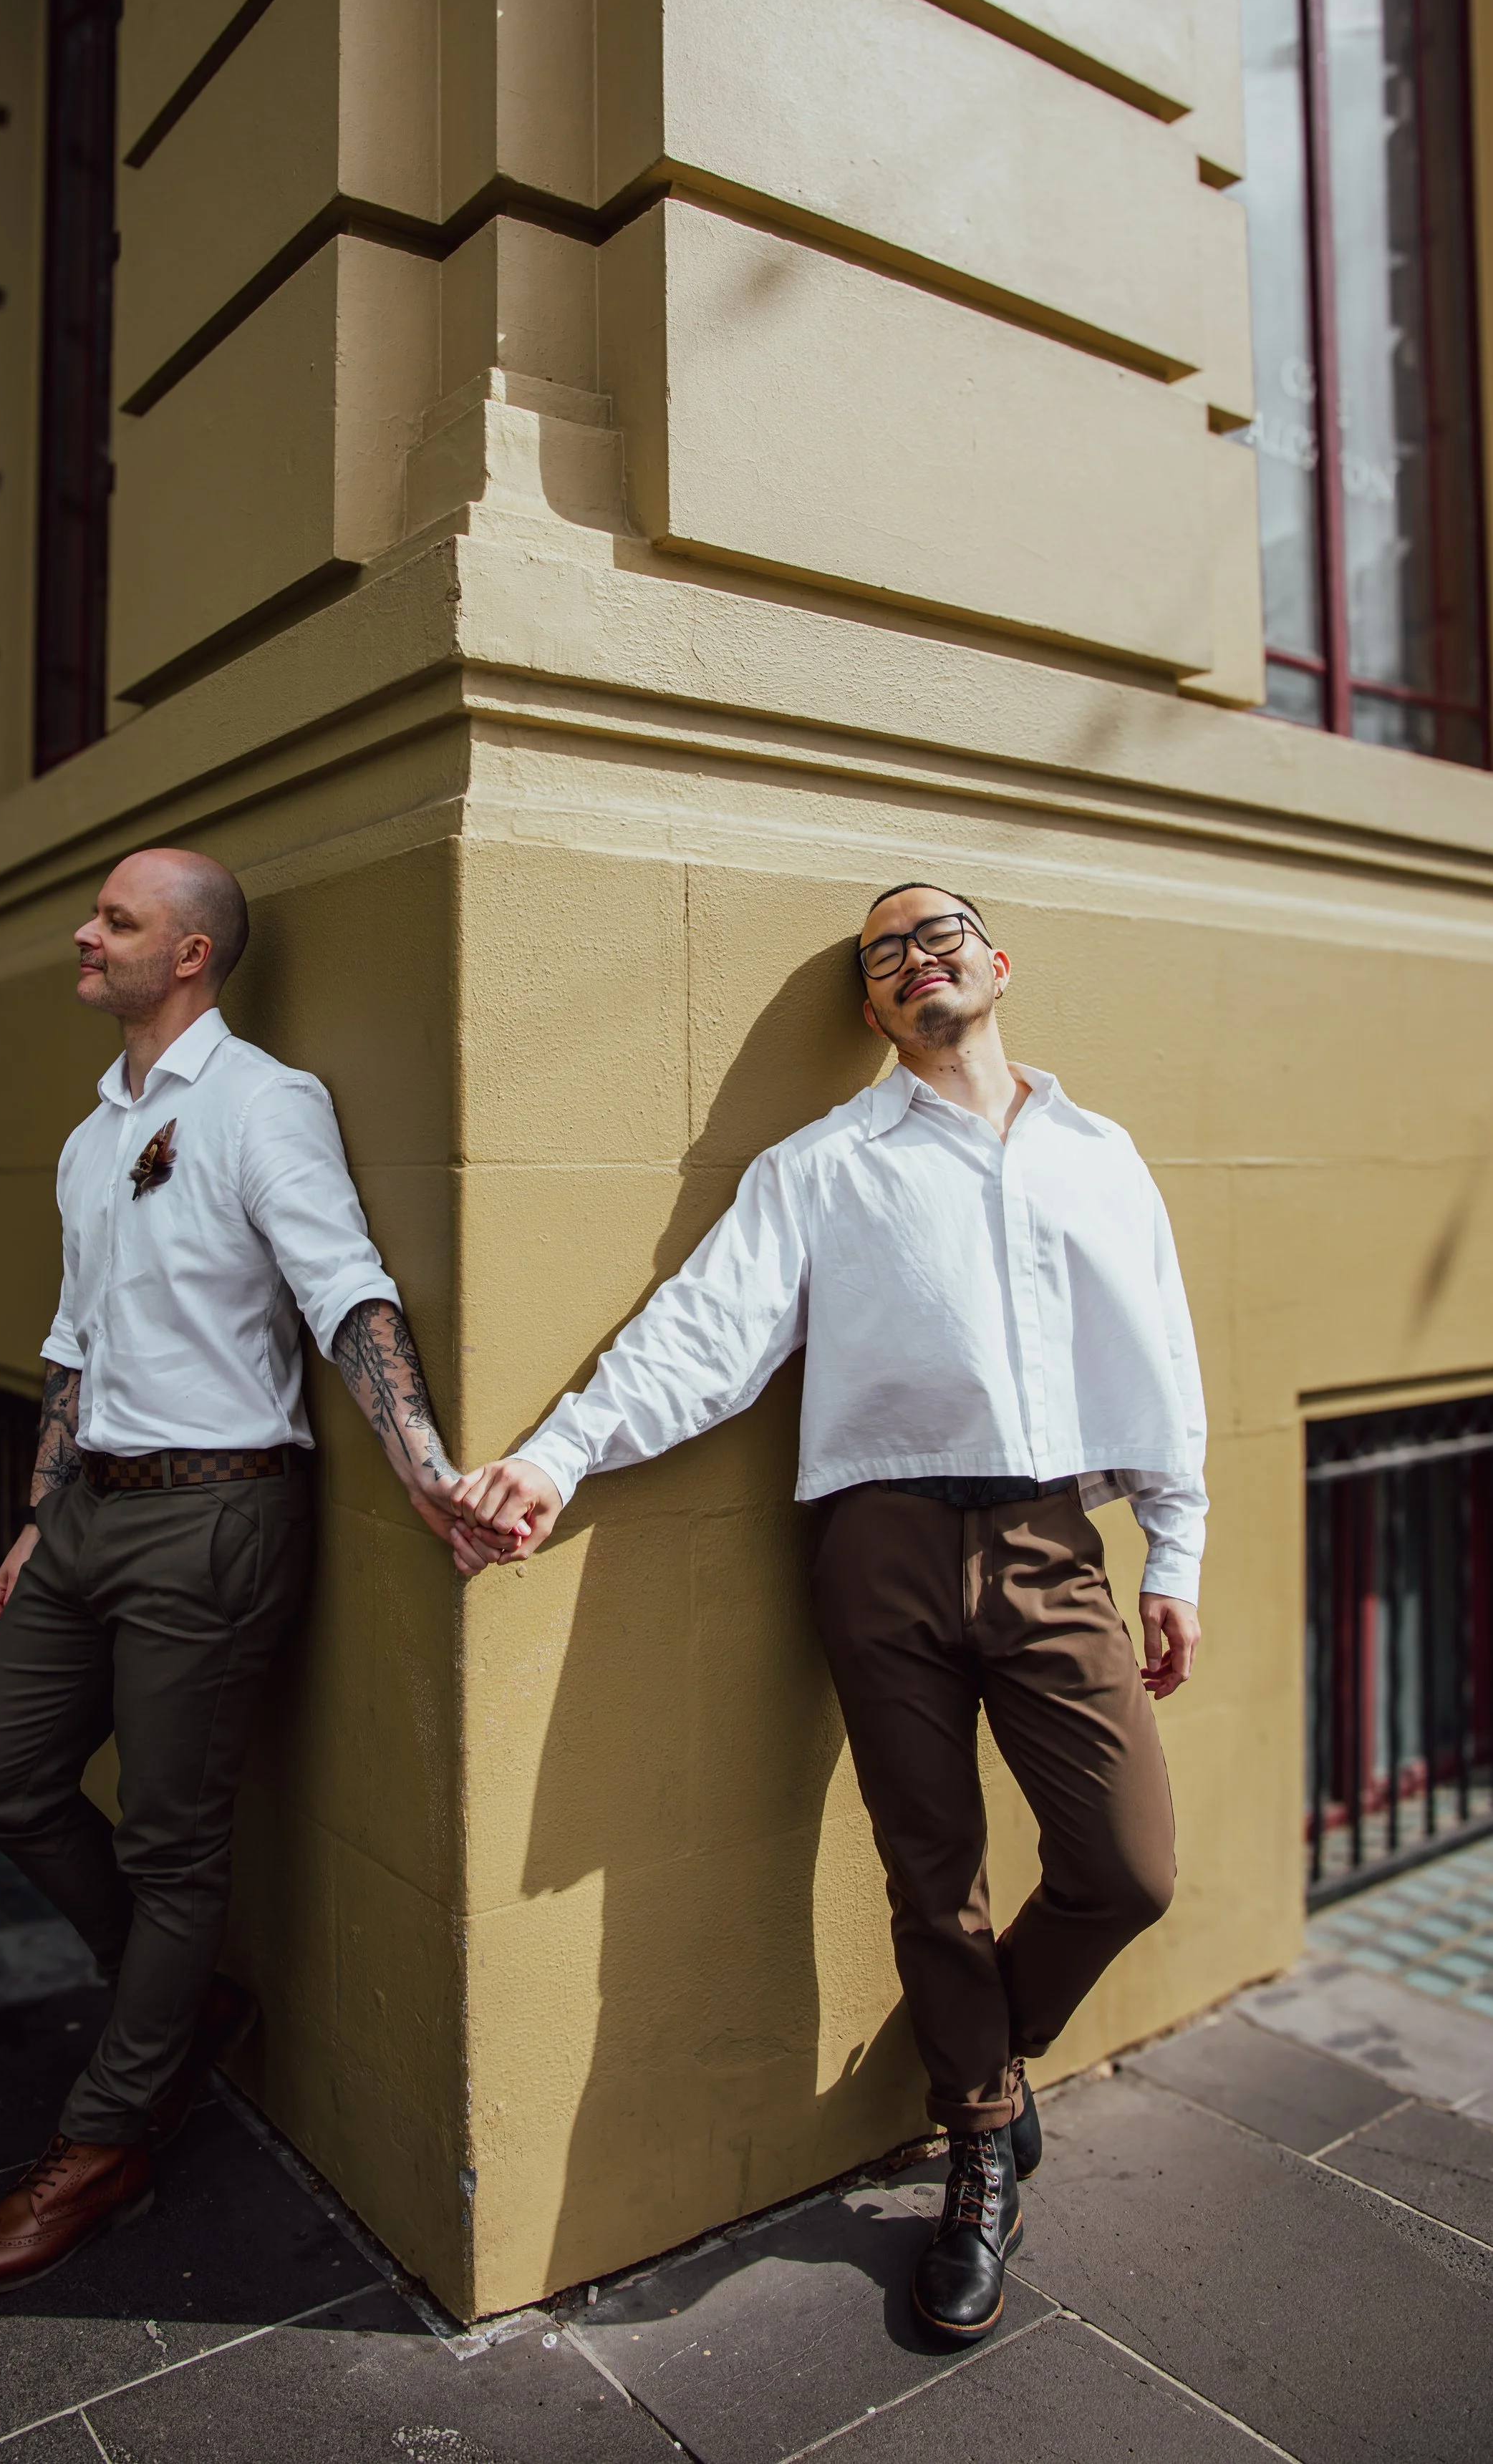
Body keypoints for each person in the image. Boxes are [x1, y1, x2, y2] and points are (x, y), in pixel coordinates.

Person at [449, 881, 1204, 2343]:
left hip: (1054, 1538)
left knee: (1124, 1866)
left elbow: (1160, 1358)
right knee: (932, 1878)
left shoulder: (1100, 1156)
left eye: (937, 936)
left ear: (993, 965)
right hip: (877, 1541)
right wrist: (551, 1459)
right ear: (870, 1010)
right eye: (883, 955)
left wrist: (1169, 1556)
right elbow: (701, 1336)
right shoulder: (823, 1164)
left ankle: (990, 2047)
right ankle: (977, 2146)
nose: (915, 958)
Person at [0, 847, 494, 2296]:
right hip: (92, 1518)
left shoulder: (261, 1103)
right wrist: (42, 1507)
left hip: (218, 1518)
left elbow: (344, 1288)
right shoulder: (88, 1136)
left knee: (175, 1844)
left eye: (114, 919)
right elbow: (73, 1343)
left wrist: (422, 1462)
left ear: (188, 955)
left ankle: (105, 2141)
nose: (85, 933)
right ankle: (175, 2011)